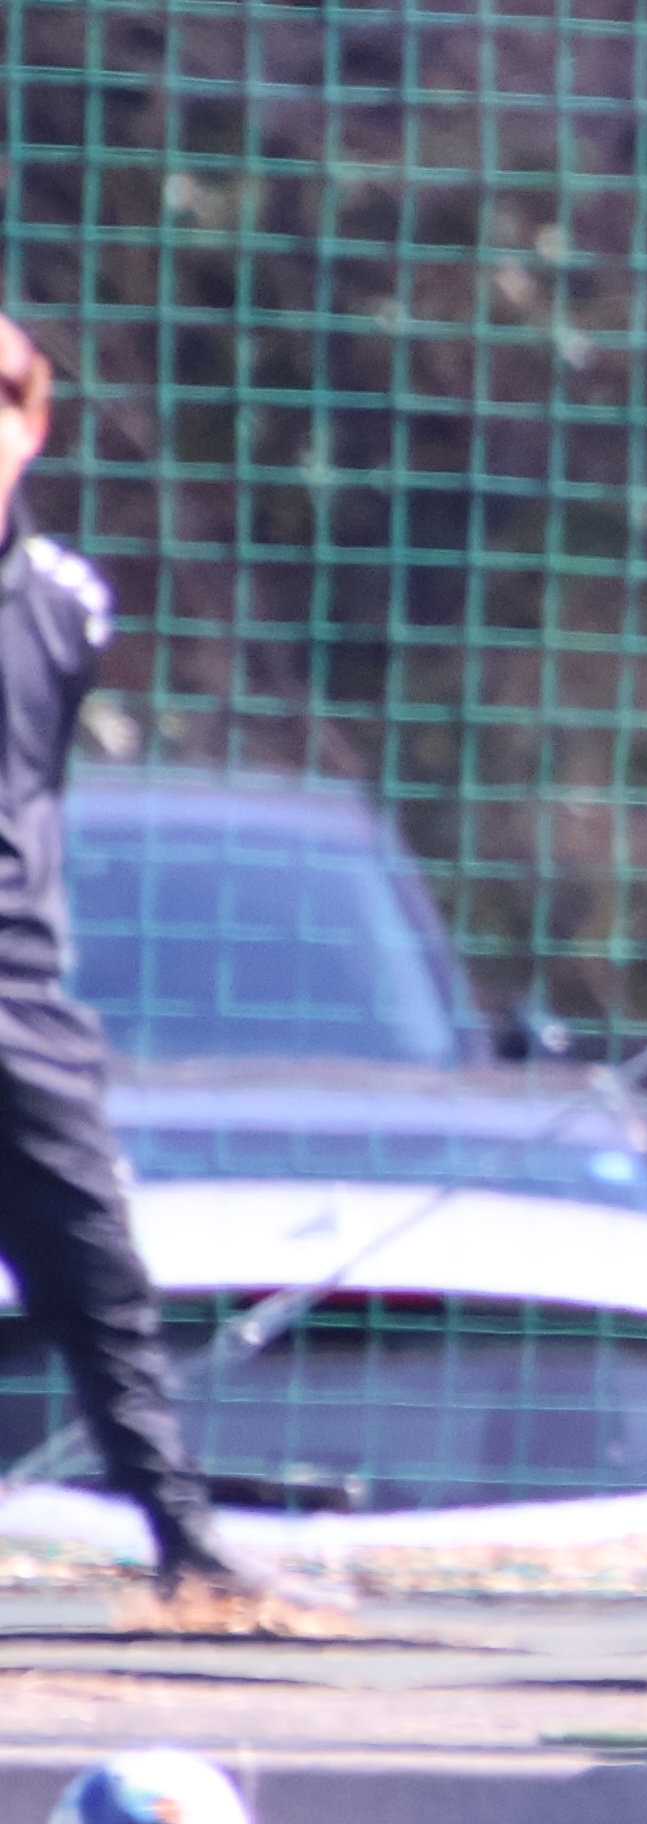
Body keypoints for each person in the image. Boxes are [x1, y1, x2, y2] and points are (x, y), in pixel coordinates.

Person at [0, 314, 264, 1599]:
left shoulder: (65, 604)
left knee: (95, 1265)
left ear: (33, 424)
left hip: (16, 1002)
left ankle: (189, 1549)